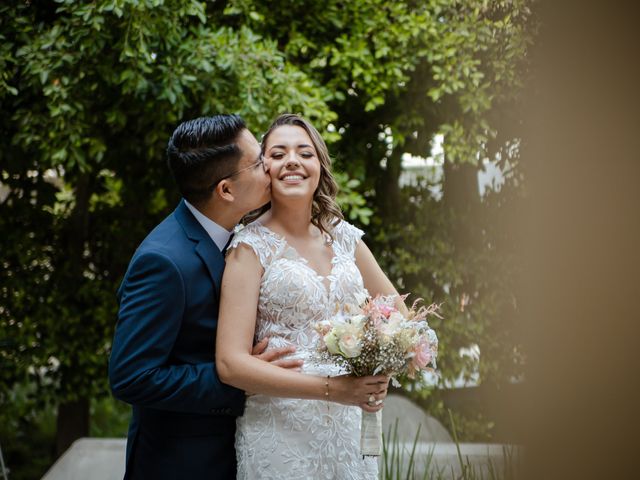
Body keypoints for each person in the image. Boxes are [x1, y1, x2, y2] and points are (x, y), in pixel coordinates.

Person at [216, 113, 408, 479]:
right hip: (279, 432)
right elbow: (229, 364)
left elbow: (401, 319)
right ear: (263, 170)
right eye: (277, 154)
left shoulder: (345, 237)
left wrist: (379, 366)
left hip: (350, 427)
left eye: (304, 152)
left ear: (319, 165)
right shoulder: (248, 247)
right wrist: (333, 389)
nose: (292, 160)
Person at [109, 115, 299, 479]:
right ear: (226, 190)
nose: (270, 167)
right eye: (259, 162)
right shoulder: (163, 262)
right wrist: (238, 377)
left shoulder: (244, 236)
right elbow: (131, 376)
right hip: (182, 463)